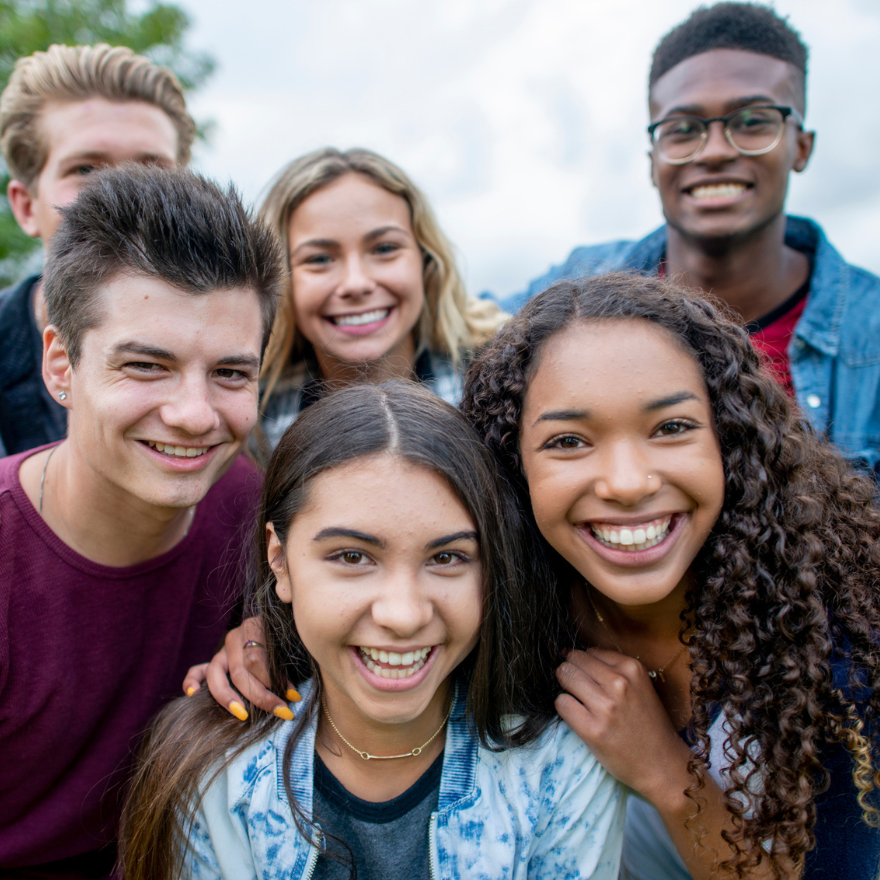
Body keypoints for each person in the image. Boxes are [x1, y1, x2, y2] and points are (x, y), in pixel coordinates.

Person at [463, 272, 880, 879]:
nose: (628, 483)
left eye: (671, 428)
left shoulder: (831, 638)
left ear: (731, 440)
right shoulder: (501, 615)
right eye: (569, 441)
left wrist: (664, 769)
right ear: (511, 464)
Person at [120, 382, 626, 880]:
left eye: (447, 558)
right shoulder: (211, 773)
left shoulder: (559, 772)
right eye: (353, 557)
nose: (403, 615)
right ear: (280, 560)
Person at [0, 165, 283, 878]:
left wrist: (278, 638)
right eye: (148, 366)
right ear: (61, 365)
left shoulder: (247, 507)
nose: (194, 415)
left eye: (229, 374)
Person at [501, 2, 880, 475]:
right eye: (683, 129)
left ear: (800, 145)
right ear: (653, 158)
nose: (716, 150)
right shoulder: (569, 290)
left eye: (752, 121)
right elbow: (448, 328)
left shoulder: (870, 331)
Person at [0, 43, 195, 456]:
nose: (124, 194)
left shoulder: (250, 353)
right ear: (25, 205)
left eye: (152, 169)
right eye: (85, 170)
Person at [253, 147, 505, 457]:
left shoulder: (505, 384)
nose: (356, 283)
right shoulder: (250, 424)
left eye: (384, 248)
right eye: (319, 258)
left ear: (426, 261)